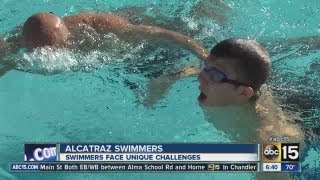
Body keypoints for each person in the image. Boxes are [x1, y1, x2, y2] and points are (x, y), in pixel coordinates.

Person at [0, 12, 209, 76]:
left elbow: (160, 33)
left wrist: (203, 53)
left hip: (145, 31)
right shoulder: (11, 44)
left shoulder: (100, 27)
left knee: (196, 24)